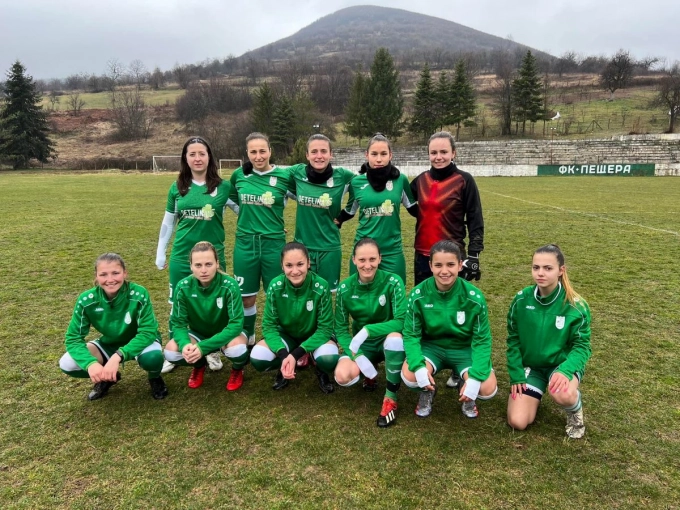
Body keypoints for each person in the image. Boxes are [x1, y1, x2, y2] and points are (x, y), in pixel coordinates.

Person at [155, 136, 237, 374]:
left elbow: (245, 211)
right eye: (192, 154)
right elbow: (168, 222)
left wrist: (268, 223)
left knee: (214, 306)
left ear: (209, 157)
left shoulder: (224, 187)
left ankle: (211, 350)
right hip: (182, 257)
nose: (197, 158)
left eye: (202, 153)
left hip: (213, 259)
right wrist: (161, 252)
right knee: (176, 305)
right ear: (185, 158)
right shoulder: (177, 187)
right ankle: (176, 348)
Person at [409, 131, 484, 389]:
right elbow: (400, 195)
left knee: (458, 313)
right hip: (423, 255)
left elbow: (475, 218)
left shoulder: (464, 180)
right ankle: (424, 364)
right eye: (433, 152)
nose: (438, 156)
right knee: (424, 311)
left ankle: (458, 366)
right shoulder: (420, 180)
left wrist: (473, 255)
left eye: (443, 151)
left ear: (454, 153)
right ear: (428, 154)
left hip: (453, 259)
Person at [401, 240, 497, 419]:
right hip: (431, 348)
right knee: (410, 375)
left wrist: (475, 378)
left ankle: (465, 385)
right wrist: (418, 367)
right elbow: (411, 334)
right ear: (430, 266)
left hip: (464, 349)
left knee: (486, 388)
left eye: (450, 265)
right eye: (438, 265)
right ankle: (428, 390)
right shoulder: (418, 294)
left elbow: (482, 339)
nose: (444, 271)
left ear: (460, 265)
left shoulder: (474, 298)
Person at [506, 244, 591, 439]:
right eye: (536, 267)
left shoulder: (576, 306)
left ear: (561, 271)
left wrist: (566, 370)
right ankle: (534, 394)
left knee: (562, 393)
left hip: (560, 366)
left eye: (548, 268)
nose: (540, 273)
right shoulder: (521, 300)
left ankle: (574, 410)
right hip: (532, 367)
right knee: (517, 422)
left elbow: (582, 346)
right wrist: (516, 374)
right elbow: (513, 340)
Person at [59, 253, 168, 400]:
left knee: (153, 358)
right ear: (96, 276)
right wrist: (90, 364)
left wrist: (118, 356)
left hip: (140, 341)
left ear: (125, 273)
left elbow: (148, 332)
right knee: (67, 363)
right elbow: (73, 338)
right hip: (109, 343)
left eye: (115, 273)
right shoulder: (86, 300)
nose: (110, 279)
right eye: (103, 274)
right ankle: (108, 377)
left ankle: (154, 377)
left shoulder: (139, 293)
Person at [229, 132, 294, 346]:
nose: (258, 156)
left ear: (270, 151)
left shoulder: (284, 176)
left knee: (279, 293)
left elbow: (304, 195)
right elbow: (232, 200)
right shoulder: (239, 175)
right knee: (246, 296)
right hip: (245, 243)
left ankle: (281, 335)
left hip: (273, 244)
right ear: (247, 153)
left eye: (262, 151)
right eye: (253, 152)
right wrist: (249, 217)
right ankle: (248, 334)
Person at [334, 238, 406, 428]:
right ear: (354, 260)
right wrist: (356, 355)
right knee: (342, 376)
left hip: (387, 341)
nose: (367, 265)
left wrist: (368, 330)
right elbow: (340, 329)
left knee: (395, 340)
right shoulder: (345, 288)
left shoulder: (393, 281)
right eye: (362, 260)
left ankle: (390, 397)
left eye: (372, 259)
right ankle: (368, 372)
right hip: (362, 345)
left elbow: (401, 321)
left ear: (380, 258)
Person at [249, 242, 339, 393]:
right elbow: (269, 326)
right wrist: (284, 355)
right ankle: (284, 366)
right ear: (282, 266)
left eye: (300, 264)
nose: (295, 271)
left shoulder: (321, 286)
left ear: (308, 263)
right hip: (287, 336)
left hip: (314, 335)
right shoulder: (275, 286)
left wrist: (297, 353)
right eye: (289, 265)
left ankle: (319, 367)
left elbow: (325, 329)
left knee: (328, 359)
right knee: (258, 358)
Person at [163, 242, 249, 391]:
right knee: (171, 352)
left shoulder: (230, 285)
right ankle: (199, 365)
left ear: (217, 264)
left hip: (227, 335)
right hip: (198, 334)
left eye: (208, 264)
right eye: (198, 265)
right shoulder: (183, 286)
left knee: (237, 349)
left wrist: (202, 347)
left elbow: (236, 325)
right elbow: (178, 323)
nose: (203, 270)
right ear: (191, 266)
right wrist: (185, 345)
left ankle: (237, 369)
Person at [339, 134, 417, 284]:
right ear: (367, 155)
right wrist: (332, 220)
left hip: (392, 251)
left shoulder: (400, 180)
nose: (379, 159)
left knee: (395, 294)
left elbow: (414, 209)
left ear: (390, 155)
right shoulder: (357, 182)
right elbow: (348, 212)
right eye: (374, 154)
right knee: (359, 295)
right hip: (363, 250)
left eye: (383, 154)